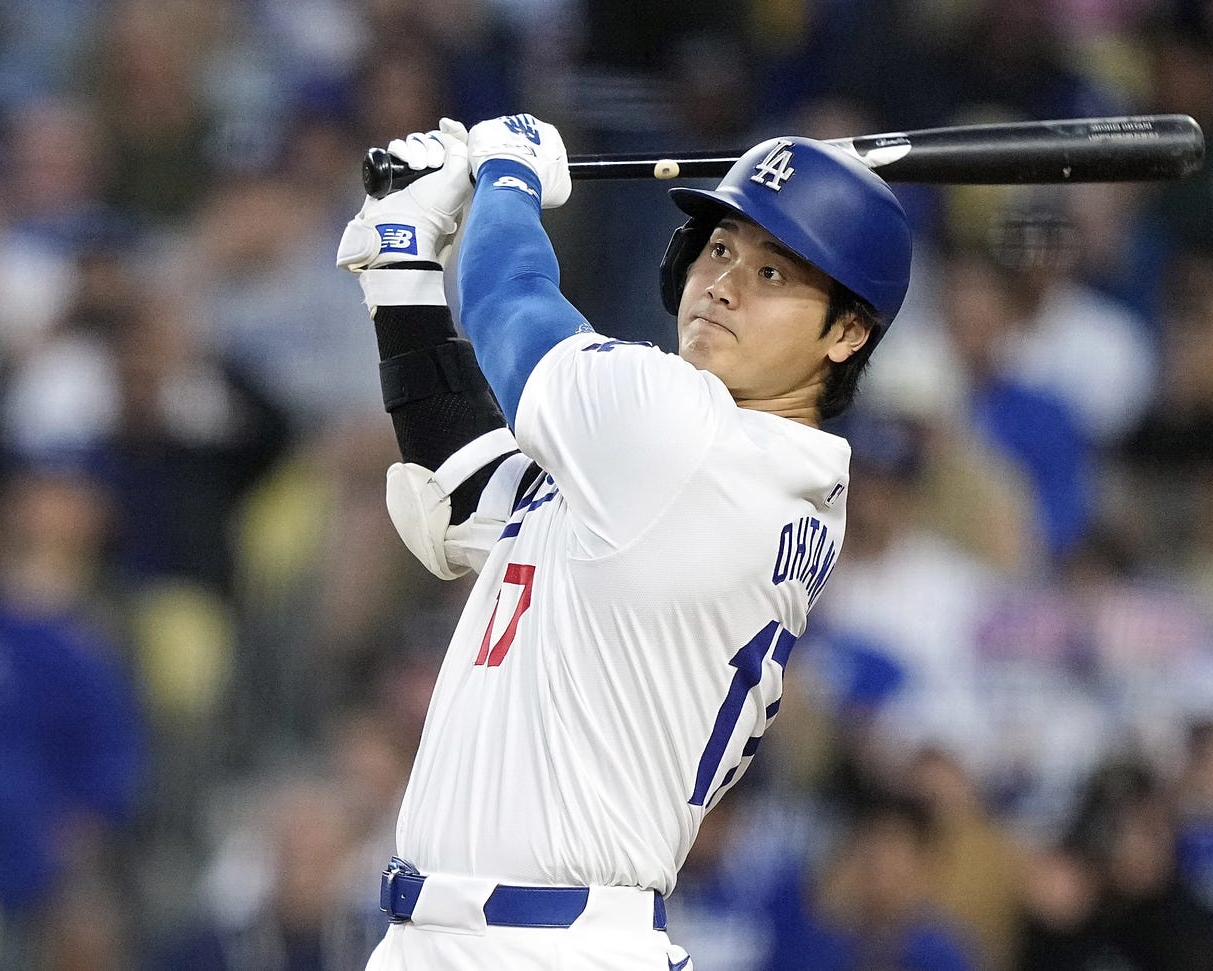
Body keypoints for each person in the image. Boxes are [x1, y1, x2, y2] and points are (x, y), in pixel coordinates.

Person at [333, 113, 912, 969]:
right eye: (720, 249)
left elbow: (509, 304)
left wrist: (510, 177)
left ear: (847, 332)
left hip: (538, 946)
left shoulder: (689, 436)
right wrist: (402, 263)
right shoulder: (701, 469)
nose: (724, 283)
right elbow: (464, 488)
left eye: (773, 272)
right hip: (506, 938)